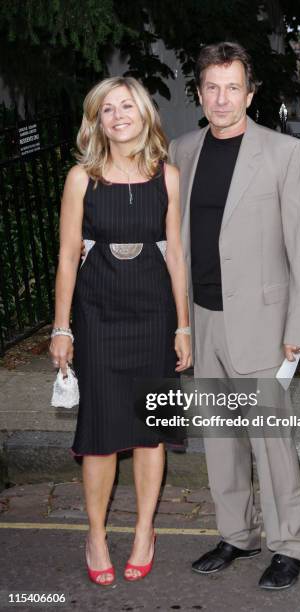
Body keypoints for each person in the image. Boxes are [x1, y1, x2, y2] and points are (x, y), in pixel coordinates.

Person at [169, 42, 300, 590]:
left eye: (233, 87)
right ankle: (237, 534)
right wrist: (179, 321)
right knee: (221, 439)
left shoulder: (284, 154)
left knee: (270, 442)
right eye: (212, 86)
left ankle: (291, 545)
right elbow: (176, 242)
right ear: (201, 92)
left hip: (262, 321)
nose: (222, 98)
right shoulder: (182, 149)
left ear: (250, 93)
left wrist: (298, 328)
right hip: (203, 317)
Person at [50, 76, 191, 586]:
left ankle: (144, 532)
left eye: (127, 106)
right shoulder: (80, 178)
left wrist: (183, 326)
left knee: (151, 434)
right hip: (98, 318)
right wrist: (62, 328)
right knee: (101, 436)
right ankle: (95, 534)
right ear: (98, 121)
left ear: (144, 114)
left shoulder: (166, 176)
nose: (118, 115)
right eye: (108, 109)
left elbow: (175, 255)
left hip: (153, 318)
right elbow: (67, 257)